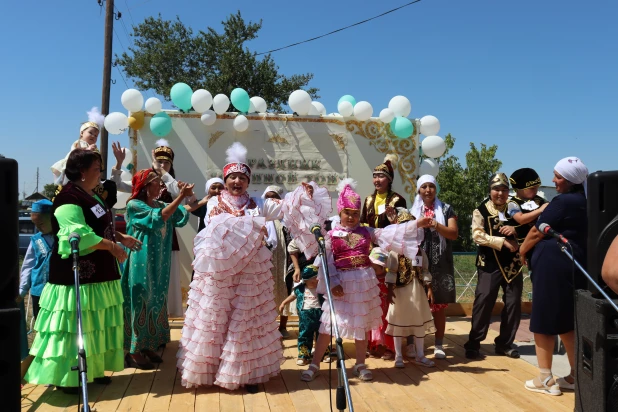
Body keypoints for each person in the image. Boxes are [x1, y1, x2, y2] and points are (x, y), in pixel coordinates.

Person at [177, 142, 329, 393]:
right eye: (232, 177)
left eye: (242, 177)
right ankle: (212, 370)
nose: (237, 181)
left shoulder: (258, 203)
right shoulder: (214, 203)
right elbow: (215, 229)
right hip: (221, 275)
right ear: (225, 179)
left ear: (248, 181)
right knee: (217, 320)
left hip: (250, 275)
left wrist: (301, 195)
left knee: (247, 323)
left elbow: (283, 207)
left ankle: (246, 373)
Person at [25, 149, 140, 393]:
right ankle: (68, 377)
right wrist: (112, 246)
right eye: (96, 169)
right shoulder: (68, 198)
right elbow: (78, 234)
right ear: (81, 171)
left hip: (98, 277)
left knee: (95, 325)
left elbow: (98, 225)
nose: (99, 173)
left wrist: (119, 236)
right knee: (74, 327)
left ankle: (94, 368)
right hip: (77, 277)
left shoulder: (90, 195)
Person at [300, 179, 429, 383]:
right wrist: (333, 283)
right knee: (328, 326)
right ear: (340, 212)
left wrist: (417, 224)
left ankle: (360, 364)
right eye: (347, 212)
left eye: (354, 213)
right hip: (340, 285)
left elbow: (390, 233)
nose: (351, 217)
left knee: (361, 326)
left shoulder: (367, 232)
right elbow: (327, 261)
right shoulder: (331, 235)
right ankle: (315, 364)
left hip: (362, 284)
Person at [520, 157, 589, 396]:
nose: (553, 180)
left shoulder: (562, 201)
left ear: (569, 180)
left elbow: (536, 230)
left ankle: (545, 378)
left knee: (543, 319)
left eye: (558, 177)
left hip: (552, 266)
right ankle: (576, 376)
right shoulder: (586, 201)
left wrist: (522, 250)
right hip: (575, 265)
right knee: (567, 323)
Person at [122, 169, 193, 369]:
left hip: (159, 261)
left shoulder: (160, 203)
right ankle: (133, 351)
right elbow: (160, 217)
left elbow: (180, 216)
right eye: (156, 182)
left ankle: (148, 344)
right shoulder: (134, 205)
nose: (161, 185)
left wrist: (189, 196)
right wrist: (180, 196)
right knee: (141, 299)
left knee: (156, 298)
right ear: (144, 186)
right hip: (140, 260)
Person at [464, 173, 523, 360]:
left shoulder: (515, 209)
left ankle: (505, 343)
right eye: (496, 189)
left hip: (513, 264)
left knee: (513, 303)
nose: (500, 193)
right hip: (489, 263)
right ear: (490, 191)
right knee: (484, 301)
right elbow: (477, 235)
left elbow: (528, 229)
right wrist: (501, 241)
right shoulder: (480, 210)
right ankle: (474, 342)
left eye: (504, 189)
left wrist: (517, 235)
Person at [360, 154, 407, 360]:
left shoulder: (398, 199)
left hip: (392, 254)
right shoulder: (369, 199)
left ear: (389, 179)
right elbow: (362, 224)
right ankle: (373, 342)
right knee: (372, 298)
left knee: (389, 299)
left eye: (381, 176)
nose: (377, 180)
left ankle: (390, 345)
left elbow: (403, 226)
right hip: (371, 255)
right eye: (374, 176)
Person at [410, 174, 458, 359]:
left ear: (436, 189)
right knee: (413, 303)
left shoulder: (446, 209)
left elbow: (453, 233)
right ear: (419, 190)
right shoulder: (413, 210)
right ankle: (412, 343)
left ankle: (439, 344)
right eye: (424, 187)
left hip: (440, 263)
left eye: (431, 186)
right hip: (417, 261)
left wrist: (435, 224)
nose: (428, 190)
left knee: (439, 304)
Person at [383, 209, 437, 368]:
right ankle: (398, 356)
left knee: (418, 322)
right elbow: (392, 271)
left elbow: (425, 269)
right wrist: (389, 289)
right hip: (400, 292)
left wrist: (429, 287)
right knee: (399, 321)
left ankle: (420, 355)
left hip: (418, 291)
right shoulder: (396, 251)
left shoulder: (420, 250)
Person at [262, 185, 294, 338]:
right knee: (267, 292)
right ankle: (267, 328)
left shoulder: (287, 218)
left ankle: (282, 326)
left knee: (285, 290)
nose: (271, 200)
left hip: (285, 261)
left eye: (274, 196)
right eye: (267, 196)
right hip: (267, 262)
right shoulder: (261, 216)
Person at [278, 265, 325, 365]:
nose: (315, 282)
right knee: (305, 334)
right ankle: (304, 355)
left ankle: (322, 353)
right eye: (312, 280)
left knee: (322, 334)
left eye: (317, 279)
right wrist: (283, 303)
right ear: (305, 280)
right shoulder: (299, 289)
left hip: (320, 313)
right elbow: (292, 296)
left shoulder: (322, 288)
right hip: (305, 315)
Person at [18, 200, 55, 319]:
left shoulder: (63, 238)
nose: (38, 227)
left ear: (52, 218)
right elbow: (28, 265)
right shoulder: (35, 240)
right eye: (35, 224)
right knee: (40, 323)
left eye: (41, 223)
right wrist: (22, 289)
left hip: (58, 292)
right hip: (38, 291)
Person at [51, 108, 104, 185]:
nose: (93, 136)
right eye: (90, 133)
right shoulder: (79, 143)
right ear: (82, 133)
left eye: (96, 135)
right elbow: (76, 152)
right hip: (74, 167)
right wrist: (87, 150)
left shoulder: (93, 147)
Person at [507, 168, 548, 248]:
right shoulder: (512, 204)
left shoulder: (540, 200)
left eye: (537, 187)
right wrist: (540, 210)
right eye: (532, 188)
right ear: (519, 189)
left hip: (541, 241)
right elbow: (521, 219)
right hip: (524, 244)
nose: (536, 191)